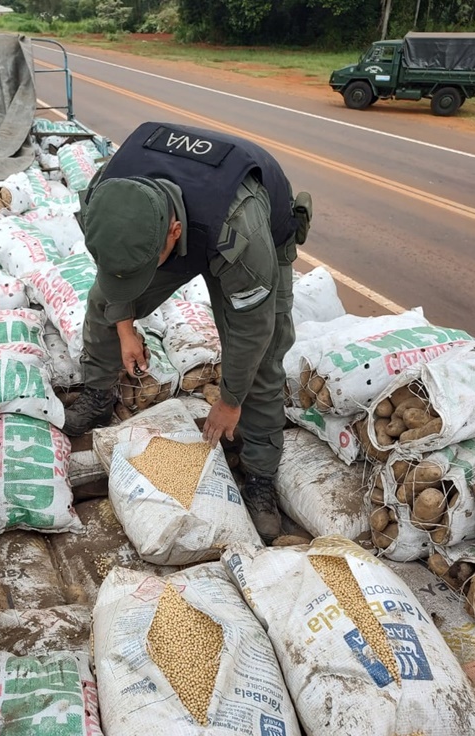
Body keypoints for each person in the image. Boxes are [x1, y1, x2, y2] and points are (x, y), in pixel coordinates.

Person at [63, 122, 312, 542]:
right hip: (180, 228)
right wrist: (125, 329)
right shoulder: (110, 194)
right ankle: (97, 395)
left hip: (255, 231)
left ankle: (260, 475)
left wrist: (230, 401)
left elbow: (254, 329)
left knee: (264, 360)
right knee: (103, 303)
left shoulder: (243, 237)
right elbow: (114, 274)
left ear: (174, 234)